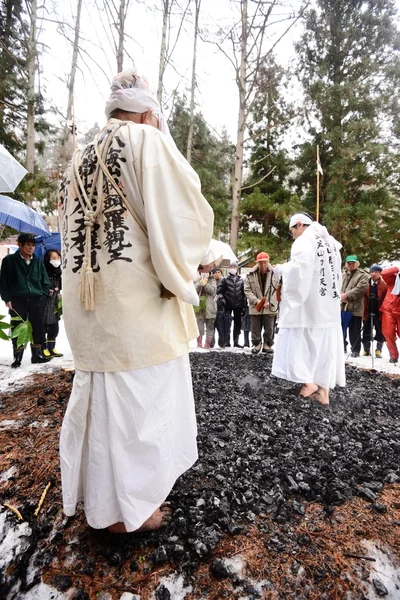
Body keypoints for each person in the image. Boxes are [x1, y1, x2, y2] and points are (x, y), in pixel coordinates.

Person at [58, 67, 214, 534]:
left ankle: (102, 506)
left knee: (102, 401)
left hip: (89, 300)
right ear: (149, 113)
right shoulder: (146, 142)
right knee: (140, 404)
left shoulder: (78, 159)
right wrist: (185, 271)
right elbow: (181, 214)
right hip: (137, 302)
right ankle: (133, 509)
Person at [271, 213, 345, 406]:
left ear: (298, 225)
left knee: (302, 344)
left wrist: (281, 269)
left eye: (292, 231)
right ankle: (323, 391)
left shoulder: (305, 241)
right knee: (325, 348)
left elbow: (299, 270)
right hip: (328, 307)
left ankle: (308, 382)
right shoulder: (330, 242)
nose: (293, 236)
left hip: (309, 307)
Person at [0, 233, 50, 367]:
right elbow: (3, 283)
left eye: (33, 245)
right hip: (17, 299)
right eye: (28, 244)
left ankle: (37, 355)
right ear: (19, 245)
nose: (31, 248)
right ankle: (17, 358)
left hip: (36, 299)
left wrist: (42, 296)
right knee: (18, 327)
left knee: (38, 327)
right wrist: (7, 298)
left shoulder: (38, 261)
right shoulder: (9, 261)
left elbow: (45, 281)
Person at [244, 251, 279, 354]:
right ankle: (257, 344)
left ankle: (267, 344)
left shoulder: (275, 273)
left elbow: (279, 289)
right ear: (257, 262)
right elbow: (247, 290)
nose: (263, 264)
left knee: (270, 327)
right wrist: (257, 301)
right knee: (255, 326)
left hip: (270, 306)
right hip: (255, 306)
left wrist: (271, 301)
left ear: (268, 261)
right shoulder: (250, 274)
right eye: (260, 262)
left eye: (265, 262)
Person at [340, 255, 369, 357]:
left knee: (355, 331)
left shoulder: (364, 275)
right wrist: (340, 295)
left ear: (357, 264)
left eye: (353, 263)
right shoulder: (343, 274)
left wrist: (346, 295)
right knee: (340, 329)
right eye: (349, 263)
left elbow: (361, 288)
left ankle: (355, 350)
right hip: (342, 307)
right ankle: (341, 347)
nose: (351, 265)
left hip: (355, 308)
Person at [217, 261, 245, 347]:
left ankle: (236, 341)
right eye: (231, 267)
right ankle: (227, 341)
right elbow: (219, 291)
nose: (233, 268)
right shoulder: (225, 279)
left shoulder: (241, 280)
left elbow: (244, 293)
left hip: (238, 305)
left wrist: (244, 306)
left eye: (234, 267)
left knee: (237, 324)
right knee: (227, 323)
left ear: (237, 268)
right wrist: (222, 299)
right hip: (227, 305)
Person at [361, 264, 387, 358]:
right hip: (367, 310)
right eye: (372, 272)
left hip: (379, 311)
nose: (373, 274)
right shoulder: (365, 283)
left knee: (380, 331)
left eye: (376, 272)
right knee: (366, 330)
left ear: (380, 273)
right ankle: (366, 350)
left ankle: (378, 350)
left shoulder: (384, 285)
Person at [43, 249, 64, 358]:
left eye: (58, 258)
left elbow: (60, 285)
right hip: (45, 301)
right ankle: (44, 348)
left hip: (55, 301)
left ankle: (52, 347)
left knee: (54, 326)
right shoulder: (43, 269)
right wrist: (48, 290)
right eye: (54, 258)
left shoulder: (59, 271)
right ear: (48, 259)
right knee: (44, 324)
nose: (56, 260)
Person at [381, 266, 400, 364]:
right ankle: (393, 356)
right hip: (389, 308)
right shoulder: (394, 277)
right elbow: (383, 273)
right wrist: (397, 269)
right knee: (388, 332)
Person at [194, 270, 217, 349]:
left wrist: (206, 284)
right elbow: (193, 291)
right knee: (199, 326)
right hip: (200, 307)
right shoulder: (196, 278)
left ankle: (207, 344)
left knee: (210, 326)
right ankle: (199, 344)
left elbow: (213, 291)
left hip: (210, 307)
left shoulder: (212, 279)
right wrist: (200, 284)